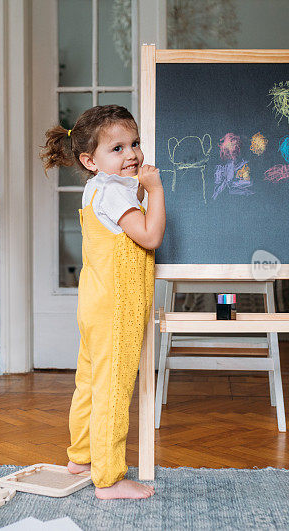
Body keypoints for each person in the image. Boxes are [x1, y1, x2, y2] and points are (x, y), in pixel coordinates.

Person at [39, 105, 165, 499]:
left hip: (96, 304)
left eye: (136, 144)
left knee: (90, 384)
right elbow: (149, 236)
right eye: (118, 149)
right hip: (117, 309)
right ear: (90, 160)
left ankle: (80, 457)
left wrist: (140, 189)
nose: (132, 155)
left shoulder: (100, 188)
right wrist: (156, 191)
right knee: (113, 389)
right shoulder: (112, 194)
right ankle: (109, 478)